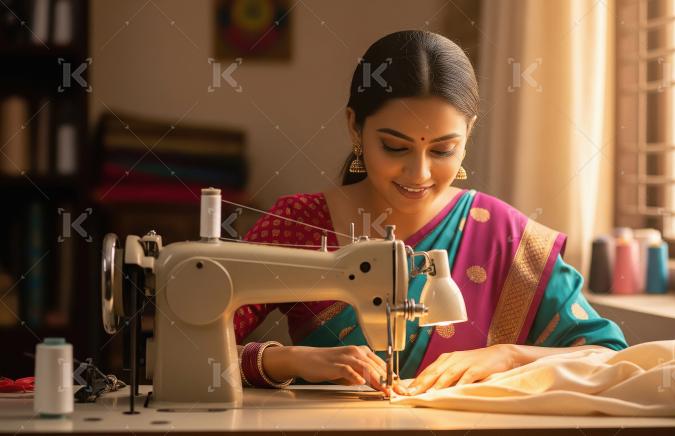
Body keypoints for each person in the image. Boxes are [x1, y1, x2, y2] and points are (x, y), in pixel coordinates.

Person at [235, 30, 627, 396]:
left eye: (441, 151)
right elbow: (179, 345)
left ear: (468, 133)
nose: (419, 173)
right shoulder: (300, 223)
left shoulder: (506, 236)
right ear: (355, 126)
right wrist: (283, 359)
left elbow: (610, 356)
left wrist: (508, 356)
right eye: (394, 147)